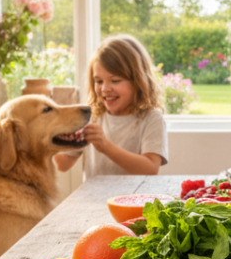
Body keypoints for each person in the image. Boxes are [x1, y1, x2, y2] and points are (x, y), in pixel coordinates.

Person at [54, 34, 169, 177]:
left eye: (115, 81)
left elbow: (150, 169)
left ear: (138, 81)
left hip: (134, 198)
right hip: (93, 198)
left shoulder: (151, 118)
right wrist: (63, 137)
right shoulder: (92, 116)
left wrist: (106, 146)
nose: (105, 89)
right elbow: (62, 164)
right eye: (99, 81)